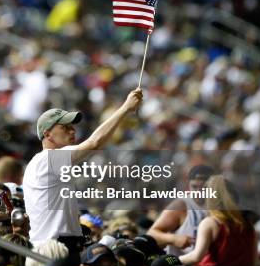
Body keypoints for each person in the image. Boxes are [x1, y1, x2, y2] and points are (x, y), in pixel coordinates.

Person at [22, 89, 142, 252]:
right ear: (48, 134)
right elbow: (95, 143)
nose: (73, 131)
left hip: (54, 245)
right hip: (54, 247)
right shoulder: (48, 158)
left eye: (72, 127)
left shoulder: (42, 162)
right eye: (65, 128)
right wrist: (125, 108)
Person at [179, 175, 257, 266]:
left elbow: (196, 256)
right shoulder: (247, 225)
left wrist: (171, 260)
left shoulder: (210, 223)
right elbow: (253, 262)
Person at [148, 165, 214, 257]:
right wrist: (173, 239)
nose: (199, 191)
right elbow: (151, 234)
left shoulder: (220, 205)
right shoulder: (181, 205)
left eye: (204, 188)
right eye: (194, 187)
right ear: (188, 184)